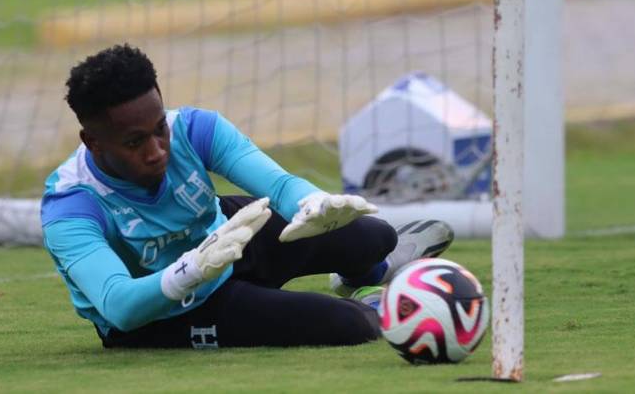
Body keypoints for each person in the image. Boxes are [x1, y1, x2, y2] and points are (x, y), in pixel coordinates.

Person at [41, 44, 454, 349]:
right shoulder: (71, 206)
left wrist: (313, 203)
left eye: (159, 129)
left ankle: (368, 272)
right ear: (92, 141)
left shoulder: (195, 129)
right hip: (167, 310)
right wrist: (192, 270)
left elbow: (277, 186)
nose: (156, 151)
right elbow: (118, 305)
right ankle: (383, 301)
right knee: (351, 326)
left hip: (227, 236)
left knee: (373, 235)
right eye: (134, 142)